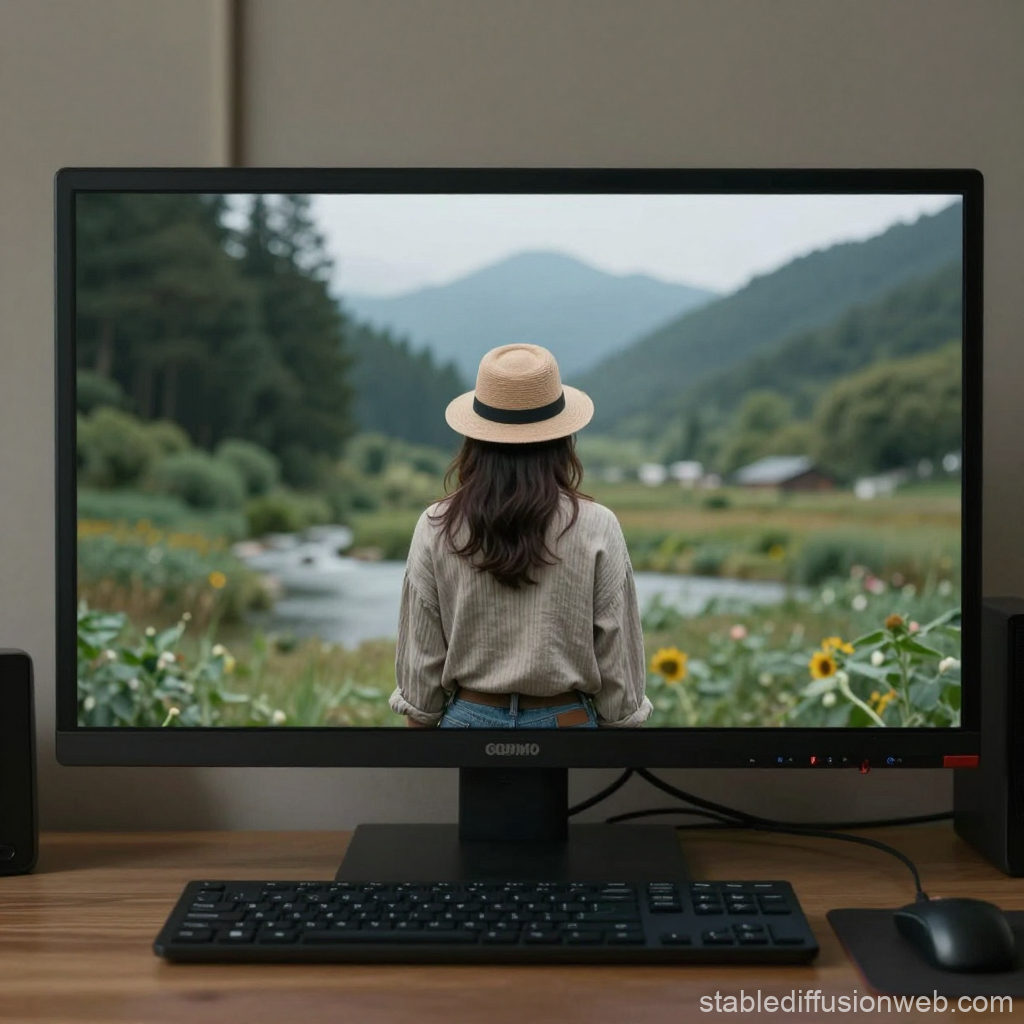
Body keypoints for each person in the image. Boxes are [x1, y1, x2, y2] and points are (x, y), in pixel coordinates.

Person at [389, 343, 652, 729]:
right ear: (562, 438)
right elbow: (619, 674)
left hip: (467, 726)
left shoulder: (435, 524)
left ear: (475, 439)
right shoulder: (599, 525)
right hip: (569, 724)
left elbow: (420, 675)